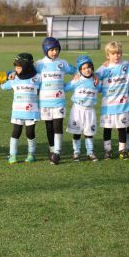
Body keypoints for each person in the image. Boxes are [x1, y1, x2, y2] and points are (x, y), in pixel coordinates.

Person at [34, 37, 77, 165]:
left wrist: (78, 74)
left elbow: (76, 70)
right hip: (45, 102)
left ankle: (57, 152)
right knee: (49, 127)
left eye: (57, 49)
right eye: (52, 50)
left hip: (59, 101)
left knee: (58, 126)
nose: (55, 52)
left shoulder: (62, 63)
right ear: (46, 50)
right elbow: (28, 75)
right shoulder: (38, 64)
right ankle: (52, 149)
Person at [0, 53, 41, 164]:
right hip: (17, 112)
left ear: (26, 66)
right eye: (15, 67)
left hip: (31, 113)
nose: (15, 69)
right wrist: (0, 77)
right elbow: (3, 86)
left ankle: (31, 154)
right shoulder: (14, 78)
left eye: (18, 67)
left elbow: (46, 87)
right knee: (15, 132)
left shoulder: (37, 78)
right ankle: (12, 155)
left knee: (30, 133)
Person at [95, 41, 129, 160]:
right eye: (113, 53)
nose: (117, 56)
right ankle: (108, 150)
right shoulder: (103, 68)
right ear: (108, 55)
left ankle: (122, 150)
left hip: (122, 104)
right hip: (108, 105)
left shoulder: (126, 65)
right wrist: (99, 87)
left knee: (122, 128)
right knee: (107, 128)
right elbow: (93, 77)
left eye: (119, 53)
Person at [64, 55, 101, 162]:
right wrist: (74, 77)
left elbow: (101, 89)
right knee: (77, 132)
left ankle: (90, 152)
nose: (87, 70)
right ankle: (76, 152)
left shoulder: (95, 80)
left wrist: (97, 79)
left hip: (90, 110)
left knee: (89, 133)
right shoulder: (77, 80)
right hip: (77, 110)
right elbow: (66, 88)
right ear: (80, 70)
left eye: (89, 67)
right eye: (84, 68)